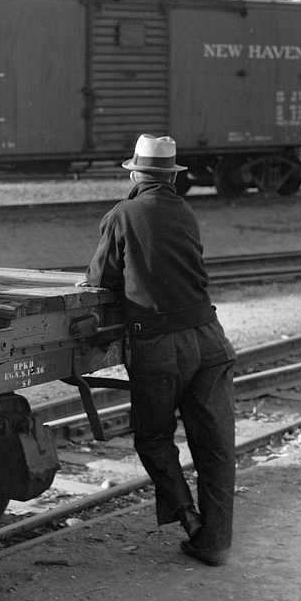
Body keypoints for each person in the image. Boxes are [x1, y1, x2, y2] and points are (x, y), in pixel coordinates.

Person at [84, 134, 236, 566]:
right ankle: (214, 542)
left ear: (135, 173)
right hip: (209, 337)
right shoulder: (186, 211)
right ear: (170, 176)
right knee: (216, 444)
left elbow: (100, 279)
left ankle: (188, 519)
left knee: (154, 437)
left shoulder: (122, 214)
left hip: (159, 346)